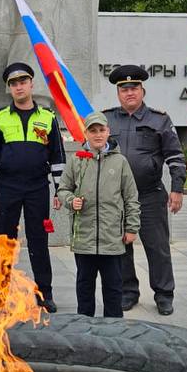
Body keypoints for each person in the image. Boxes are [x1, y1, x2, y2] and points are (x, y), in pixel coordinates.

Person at [103, 65, 187, 316]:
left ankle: (164, 294)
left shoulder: (159, 119)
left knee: (157, 246)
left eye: (134, 88)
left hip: (149, 194)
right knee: (121, 246)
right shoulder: (106, 119)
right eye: (124, 89)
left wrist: (178, 188)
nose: (129, 93)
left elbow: (175, 156)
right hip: (117, 196)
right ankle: (128, 292)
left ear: (143, 90)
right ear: (118, 92)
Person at [0, 62, 65, 311]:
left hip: (38, 188)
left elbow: (58, 157)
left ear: (31, 84)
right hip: (8, 187)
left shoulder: (48, 117)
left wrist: (60, 189)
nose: (18, 87)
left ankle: (44, 294)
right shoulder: (0, 117)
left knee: (39, 241)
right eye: (13, 84)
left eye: (22, 82)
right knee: (5, 241)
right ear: (9, 88)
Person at [57, 112, 140, 318]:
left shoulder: (120, 162)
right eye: (92, 131)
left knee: (113, 287)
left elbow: (131, 197)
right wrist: (70, 200)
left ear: (108, 132)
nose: (97, 135)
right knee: (84, 286)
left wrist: (132, 227)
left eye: (101, 130)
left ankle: (114, 327)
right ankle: (85, 326)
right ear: (85, 133)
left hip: (111, 238)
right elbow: (63, 189)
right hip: (84, 236)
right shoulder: (77, 161)